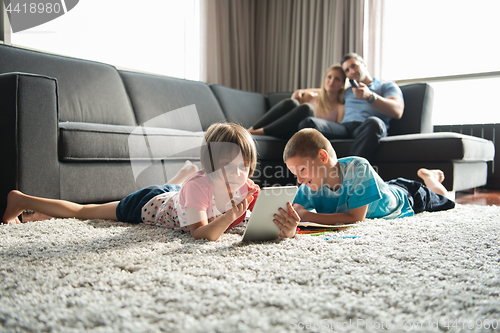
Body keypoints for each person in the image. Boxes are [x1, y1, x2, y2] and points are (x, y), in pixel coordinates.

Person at [2, 123, 300, 241]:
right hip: (150, 203)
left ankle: (179, 179)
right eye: (228, 168)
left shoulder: (247, 187)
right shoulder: (201, 188)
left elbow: (264, 225)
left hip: (178, 197)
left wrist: (286, 228)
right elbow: (201, 235)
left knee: (178, 190)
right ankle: (21, 200)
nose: (238, 176)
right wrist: (231, 215)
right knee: (85, 212)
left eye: (244, 167)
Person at [283, 128, 455, 225]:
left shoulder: (358, 168)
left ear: (322, 157)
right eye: (294, 174)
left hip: (408, 195)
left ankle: (430, 177)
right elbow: (292, 210)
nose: (299, 180)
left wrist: (308, 216)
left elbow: (356, 218)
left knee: (443, 198)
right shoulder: (309, 186)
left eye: (302, 170)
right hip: (381, 188)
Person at [298, 53, 405, 163]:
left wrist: (370, 96)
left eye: (354, 66)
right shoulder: (348, 91)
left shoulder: (385, 86)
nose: (352, 72)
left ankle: (350, 174)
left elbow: (397, 111)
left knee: (375, 122)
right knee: (308, 123)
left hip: (367, 127)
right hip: (345, 127)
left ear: (364, 65)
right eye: (347, 70)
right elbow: (327, 89)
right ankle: (311, 174)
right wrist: (301, 91)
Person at [248, 65, 346, 139]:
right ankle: (251, 129)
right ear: (324, 79)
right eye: (329, 77)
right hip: (283, 128)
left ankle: (259, 132)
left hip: (301, 134)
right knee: (292, 103)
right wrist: (300, 91)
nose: (332, 81)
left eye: (337, 79)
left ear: (342, 84)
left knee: (307, 109)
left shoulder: (340, 107)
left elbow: (336, 130)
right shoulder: (311, 97)